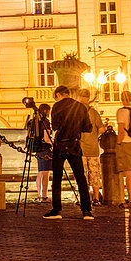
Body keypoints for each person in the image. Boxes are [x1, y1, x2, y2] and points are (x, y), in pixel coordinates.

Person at [44, 85, 93, 219]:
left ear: (59, 95)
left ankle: (57, 210)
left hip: (60, 145)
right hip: (74, 145)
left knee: (57, 179)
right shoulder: (81, 107)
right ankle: (86, 210)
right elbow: (87, 127)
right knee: (81, 178)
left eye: (56, 97)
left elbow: (55, 126)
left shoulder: (57, 107)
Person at [77, 89, 105, 205]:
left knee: (81, 175)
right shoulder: (94, 113)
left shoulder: (75, 112)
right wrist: (94, 136)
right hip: (93, 149)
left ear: (79, 97)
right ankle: (96, 199)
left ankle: (83, 199)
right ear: (88, 98)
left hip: (80, 149)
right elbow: (102, 129)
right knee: (94, 175)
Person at [27, 102, 52, 202]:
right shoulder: (45, 122)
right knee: (46, 173)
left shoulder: (34, 121)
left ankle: (39, 195)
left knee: (40, 173)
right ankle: (44, 196)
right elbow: (46, 138)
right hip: (45, 149)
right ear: (46, 111)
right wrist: (52, 142)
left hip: (37, 148)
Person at [117, 90, 131, 206]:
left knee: (128, 172)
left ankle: (130, 200)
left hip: (127, 143)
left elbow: (120, 130)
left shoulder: (122, 111)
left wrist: (118, 143)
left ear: (122, 99)